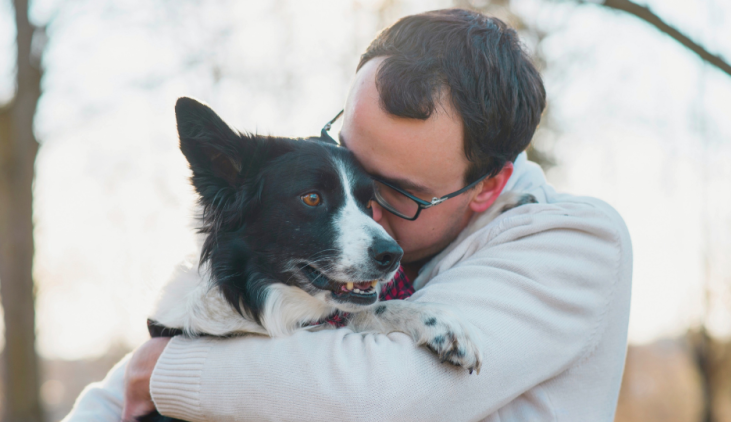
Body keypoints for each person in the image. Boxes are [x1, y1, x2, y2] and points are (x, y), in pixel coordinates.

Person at [64, 8, 632, 422]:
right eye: (346, 162)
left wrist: (168, 373)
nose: (368, 221)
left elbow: (379, 395)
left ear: (487, 188)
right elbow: (119, 393)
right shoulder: (316, 277)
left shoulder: (578, 242)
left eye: (397, 193)